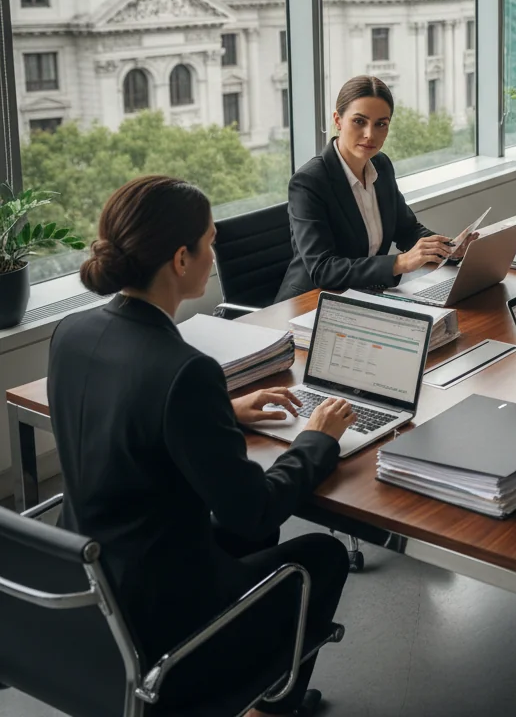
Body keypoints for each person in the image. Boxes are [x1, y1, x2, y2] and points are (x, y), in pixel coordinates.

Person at [49, 176, 354, 717]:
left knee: (262, 532)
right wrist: (315, 441)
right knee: (322, 555)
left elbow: (123, 417)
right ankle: (268, 707)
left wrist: (220, 414)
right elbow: (249, 511)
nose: (215, 253)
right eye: (210, 242)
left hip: (94, 597)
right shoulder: (185, 370)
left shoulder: (71, 333)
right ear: (181, 259)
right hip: (164, 626)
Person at [277, 75, 476, 301]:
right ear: (338, 120)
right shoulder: (309, 182)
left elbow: (407, 230)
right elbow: (323, 269)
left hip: (365, 294)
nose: (370, 134)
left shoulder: (381, 165)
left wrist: (448, 247)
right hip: (311, 302)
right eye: (359, 121)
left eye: (381, 124)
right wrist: (400, 262)